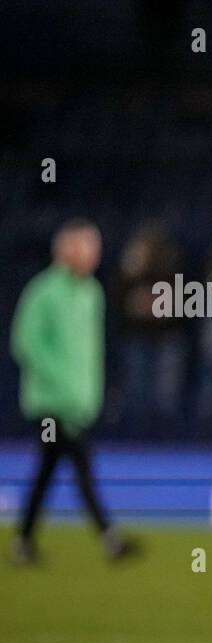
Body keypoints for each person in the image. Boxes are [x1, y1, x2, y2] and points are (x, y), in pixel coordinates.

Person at [10, 219, 136, 564]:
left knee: (48, 469)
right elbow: (25, 343)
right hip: (51, 404)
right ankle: (109, 538)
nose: (94, 255)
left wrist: (89, 392)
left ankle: (22, 542)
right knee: (81, 465)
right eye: (87, 247)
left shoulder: (91, 292)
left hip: (79, 402)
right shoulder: (44, 291)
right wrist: (63, 383)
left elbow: (90, 352)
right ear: (66, 250)